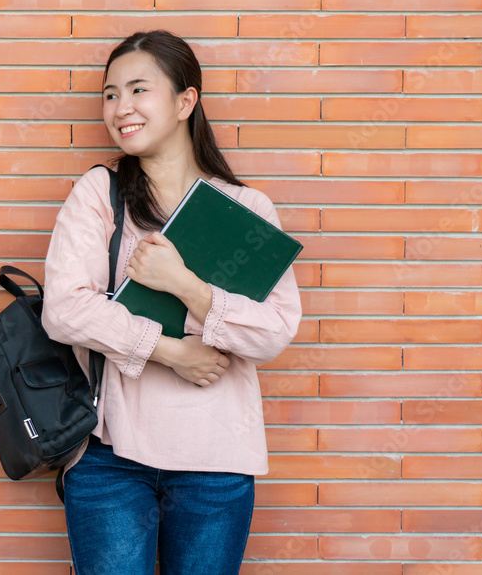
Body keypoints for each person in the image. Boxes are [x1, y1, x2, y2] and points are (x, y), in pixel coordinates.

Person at [41, 30, 302, 575]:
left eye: (139, 90)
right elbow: (65, 308)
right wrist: (169, 351)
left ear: (186, 101)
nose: (121, 108)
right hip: (110, 456)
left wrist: (184, 284)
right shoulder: (100, 192)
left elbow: (275, 330)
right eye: (111, 94)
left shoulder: (246, 207)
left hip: (216, 461)